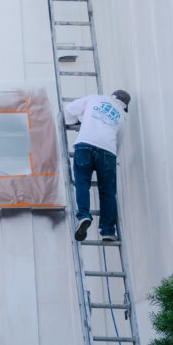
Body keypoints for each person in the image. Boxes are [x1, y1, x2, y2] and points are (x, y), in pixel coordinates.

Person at [63, 90, 131, 242]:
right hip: (108, 151)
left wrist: (72, 123)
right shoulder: (122, 116)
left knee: (82, 183)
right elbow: (118, 143)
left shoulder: (95, 99)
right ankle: (107, 231)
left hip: (84, 145)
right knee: (107, 192)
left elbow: (68, 111)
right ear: (124, 105)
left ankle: (84, 216)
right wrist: (113, 159)